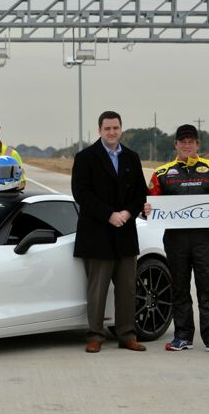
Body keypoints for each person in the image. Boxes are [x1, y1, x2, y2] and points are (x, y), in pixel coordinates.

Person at [144, 124, 209, 354]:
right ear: (175, 144)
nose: (187, 146)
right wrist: (145, 207)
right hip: (175, 240)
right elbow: (149, 202)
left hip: (204, 239)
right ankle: (182, 335)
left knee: (208, 288)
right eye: (182, 142)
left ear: (197, 144)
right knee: (179, 288)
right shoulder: (162, 173)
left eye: (191, 142)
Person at [71, 110, 148, 354]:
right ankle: (95, 335)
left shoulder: (132, 158)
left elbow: (140, 192)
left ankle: (127, 335)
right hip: (97, 234)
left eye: (115, 128)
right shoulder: (85, 157)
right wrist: (109, 214)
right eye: (107, 129)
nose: (112, 132)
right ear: (99, 130)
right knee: (97, 291)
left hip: (125, 233)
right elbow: (81, 193)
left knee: (127, 289)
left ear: (121, 129)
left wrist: (127, 213)